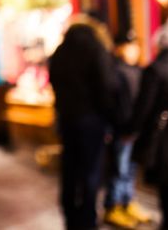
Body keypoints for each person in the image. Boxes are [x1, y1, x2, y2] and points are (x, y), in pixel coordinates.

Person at [48, 15, 122, 230]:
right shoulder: (96, 48)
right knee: (91, 171)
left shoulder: (61, 51)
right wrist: (109, 115)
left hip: (67, 118)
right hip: (91, 120)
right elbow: (106, 85)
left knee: (70, 169)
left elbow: (53, 80)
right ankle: (87, 218)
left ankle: (70, 215)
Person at [129, 16, 168, 230]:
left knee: (167, 189)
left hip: (163, 137)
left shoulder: (155, 69)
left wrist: (133, 131)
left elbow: (144, 107)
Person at [103, 29, 150, 229]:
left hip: (134, 128)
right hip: (121, 130)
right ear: (119, 48)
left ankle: (127, 202)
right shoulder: (113, 71)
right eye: (129, 46)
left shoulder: (138, 70)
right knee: (119, 169)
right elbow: (114, 105)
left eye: (135, 45)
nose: (134, 50)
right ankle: (113, 207)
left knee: (130, 169)